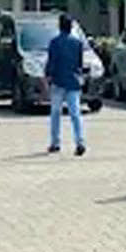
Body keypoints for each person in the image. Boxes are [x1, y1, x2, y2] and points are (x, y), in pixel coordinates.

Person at [44, 12, 87, 156]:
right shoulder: (77, 43)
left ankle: (55, 143)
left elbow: (51, 62)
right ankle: (80, 141)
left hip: (58, 81)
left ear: (60, 26)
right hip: (73, 81)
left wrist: (48, 77)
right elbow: (79, 64)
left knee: (55, 113)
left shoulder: (54, 42)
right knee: (75, 113)